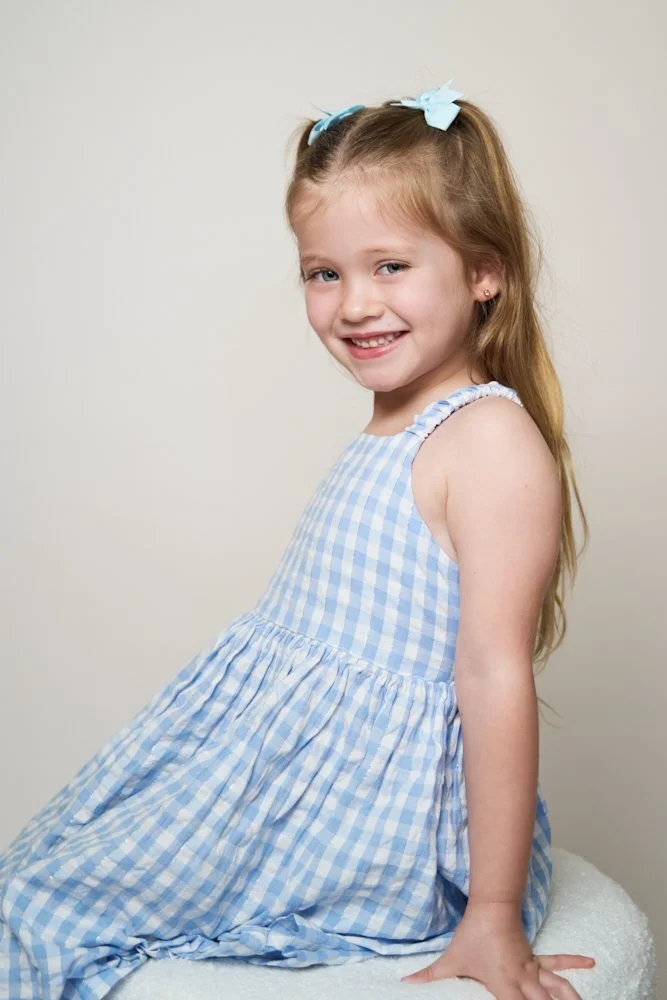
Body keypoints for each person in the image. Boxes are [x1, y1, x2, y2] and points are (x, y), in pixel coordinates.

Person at [0, 80, 597, 1000]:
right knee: (43, 871)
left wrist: (491, 912)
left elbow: (491, 675)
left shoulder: (486, 441)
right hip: (277, 767)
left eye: (389, 266)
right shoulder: (402, 420)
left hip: (359, 813)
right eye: (325, 273)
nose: (353, 304)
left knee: (39, 910)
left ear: (485, 272)